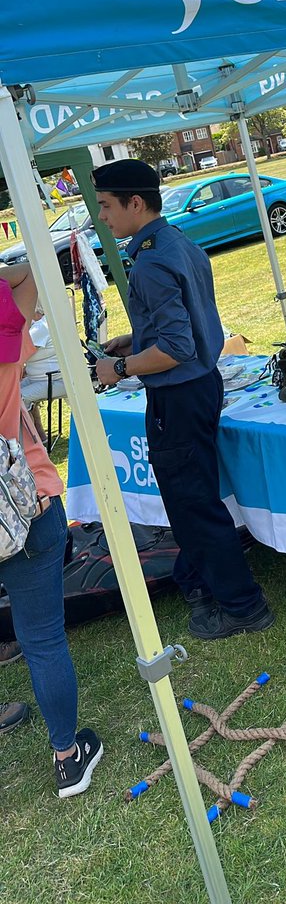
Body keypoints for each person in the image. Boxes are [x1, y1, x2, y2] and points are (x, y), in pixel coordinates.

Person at [92, 158, 273, 640]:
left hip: (179, 394)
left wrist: (120, 368)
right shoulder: (177, 243)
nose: (102, 217)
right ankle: (201, 583)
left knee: (193, 504)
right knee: (193, 497)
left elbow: (176, 348)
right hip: (200, 386)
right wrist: (134, 339)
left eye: (107, 206)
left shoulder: (151, 260)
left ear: (135, 202)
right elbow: (185, 322)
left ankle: (242, 604)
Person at [0, 265, 103, 794]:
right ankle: (67, 754)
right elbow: (27, 280)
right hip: (25, 504)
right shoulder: (2, 331)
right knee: (42, 639)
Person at [20, 305, 63, 445]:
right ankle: (39, 436)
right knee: (12, 392)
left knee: (18, 398)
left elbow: (19, 353)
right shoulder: (42, 324)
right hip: (40, 379)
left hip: (55, 381)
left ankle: (31, 443)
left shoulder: (40, 328)